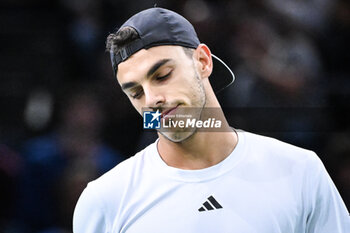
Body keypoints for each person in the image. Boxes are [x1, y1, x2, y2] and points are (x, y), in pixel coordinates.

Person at [73, 7, 350, 233]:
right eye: (135, 92)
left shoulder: (301, 171)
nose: (151, 100)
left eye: (162, 75)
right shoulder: (104, 200)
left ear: (203, 62)